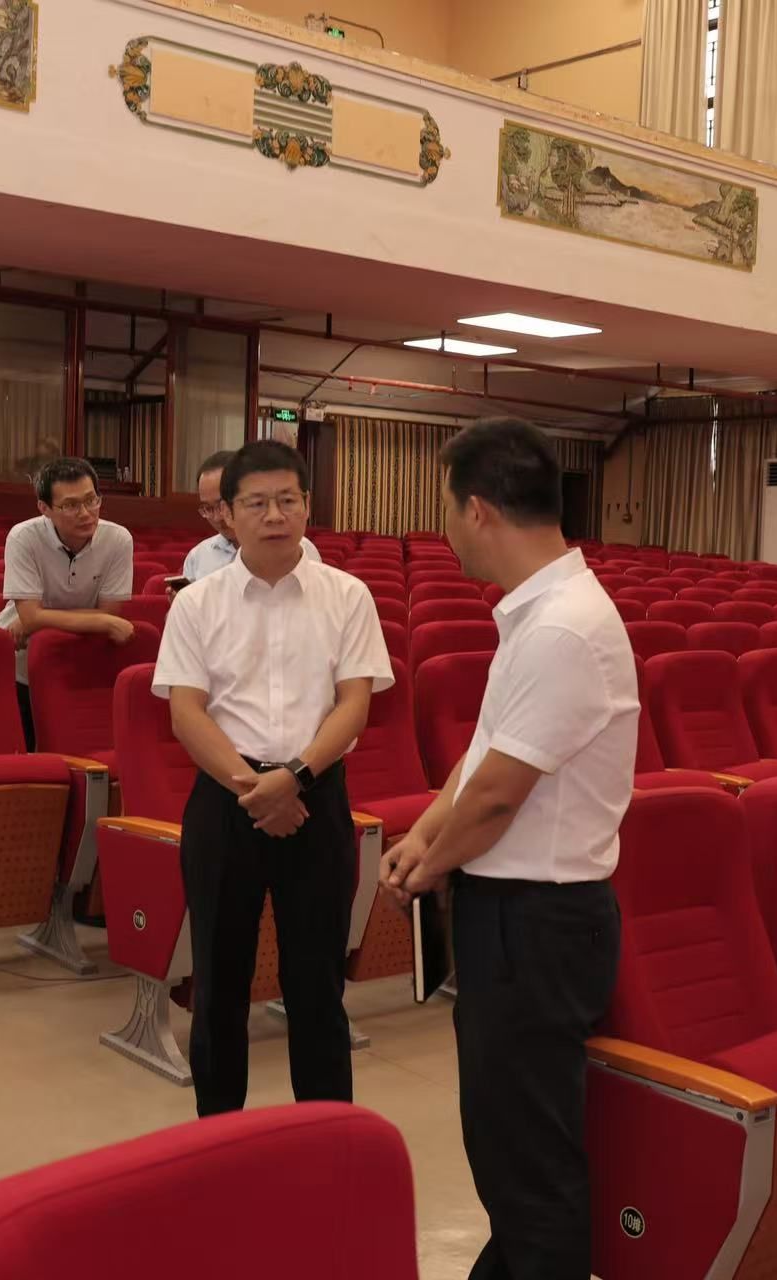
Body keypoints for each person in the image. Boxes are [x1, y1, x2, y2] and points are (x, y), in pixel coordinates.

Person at [379, 418, 634, 1280]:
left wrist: (427, 865)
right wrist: (425, 833)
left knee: (530, 1167)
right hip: (518, 917)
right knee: (510, 1146)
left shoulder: (562, 628)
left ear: (479, 509)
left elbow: (497, 796)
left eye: (447, 508)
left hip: (536, 923)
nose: (445, 528)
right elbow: (485, 754)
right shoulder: (541, 614)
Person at [152, 439, 391, 1117]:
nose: (275, 515)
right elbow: (186, 713)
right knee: (219, 985)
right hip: (226, 804)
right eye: (257, 503)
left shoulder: (348, 595)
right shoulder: (197, 603)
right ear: (228, 514)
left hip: (317, 800)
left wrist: (295, 778)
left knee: (317, 986)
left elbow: (354, 703)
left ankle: (326, 1134)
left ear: (308, 504)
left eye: (288, 499)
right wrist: (254, 790)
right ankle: (219, 1135)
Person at [0, 457, 135, 749]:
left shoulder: (119, 540)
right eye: (70, 505)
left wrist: (38, 619)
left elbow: (109, 612)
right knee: (24, 754)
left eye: (92, 500)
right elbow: (31, 618)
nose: (85, 513)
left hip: (78, 660)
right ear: (44, 508)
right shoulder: (23, 538)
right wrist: (100, 620)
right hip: (19, 661)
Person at [179, 448, 318, 585]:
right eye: (208, 508)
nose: (217, 517)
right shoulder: (198, 557)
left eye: (222, 505)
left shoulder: (301, 549)